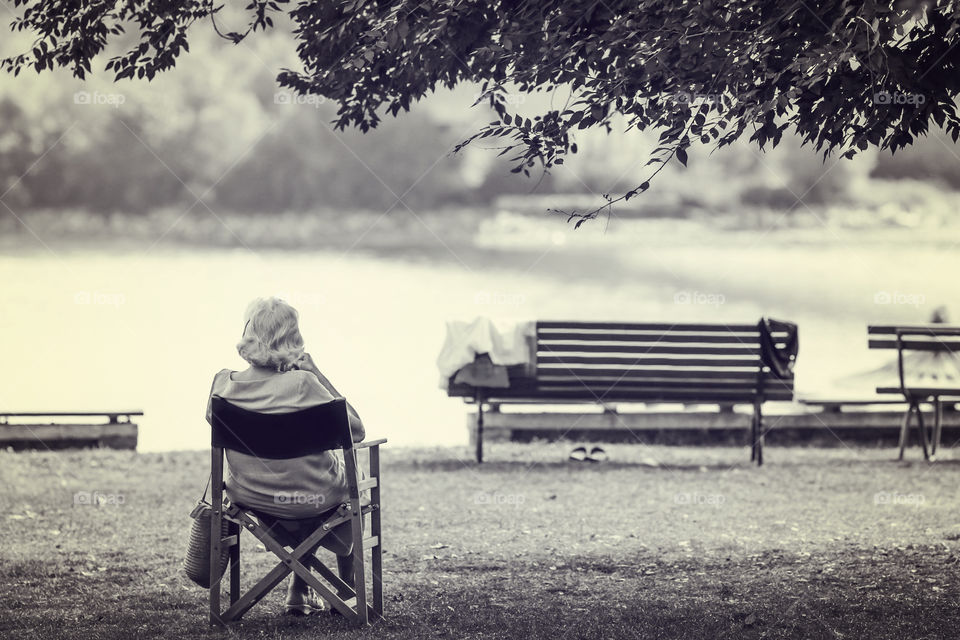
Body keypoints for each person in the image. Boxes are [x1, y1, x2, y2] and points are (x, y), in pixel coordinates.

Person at [205, 297, 365, 616]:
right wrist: (315, 371)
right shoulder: (305, 384)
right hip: (314, 501)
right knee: (349, 477)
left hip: (253, 500)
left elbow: (215, 423)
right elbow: (357, 431)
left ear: (248, 334)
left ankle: (300, 586)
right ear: (291, 338)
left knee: (301, 478)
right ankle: (345, 587)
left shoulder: (222, 385)